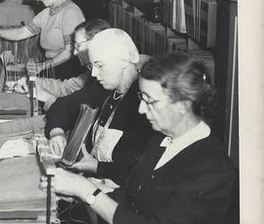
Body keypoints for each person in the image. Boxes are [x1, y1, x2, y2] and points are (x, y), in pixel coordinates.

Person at [48, 52, 238, 224]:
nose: (141, 109)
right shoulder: (160, 139)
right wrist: (79, 190)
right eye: (141, 99)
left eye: (150, 101)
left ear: (183, 105)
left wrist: (87, 192)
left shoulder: (214, 171)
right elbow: (134, 193)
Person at [46, 28, 152, 186]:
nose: (94, 74)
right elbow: (63, 105)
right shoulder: (104, 89)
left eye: (100, 65)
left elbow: (136, 171)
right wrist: (57, 133)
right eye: (92, 66)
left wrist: (95, 166)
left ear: (123, 61)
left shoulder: (144, 106)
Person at [14, 18, 110, 110]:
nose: (75, 53)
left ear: (95, 44)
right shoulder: (90, 73)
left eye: (78, 46)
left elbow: (74, 112)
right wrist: (33, 82)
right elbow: (64, 88)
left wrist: (47, 97)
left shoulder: (105, 81)